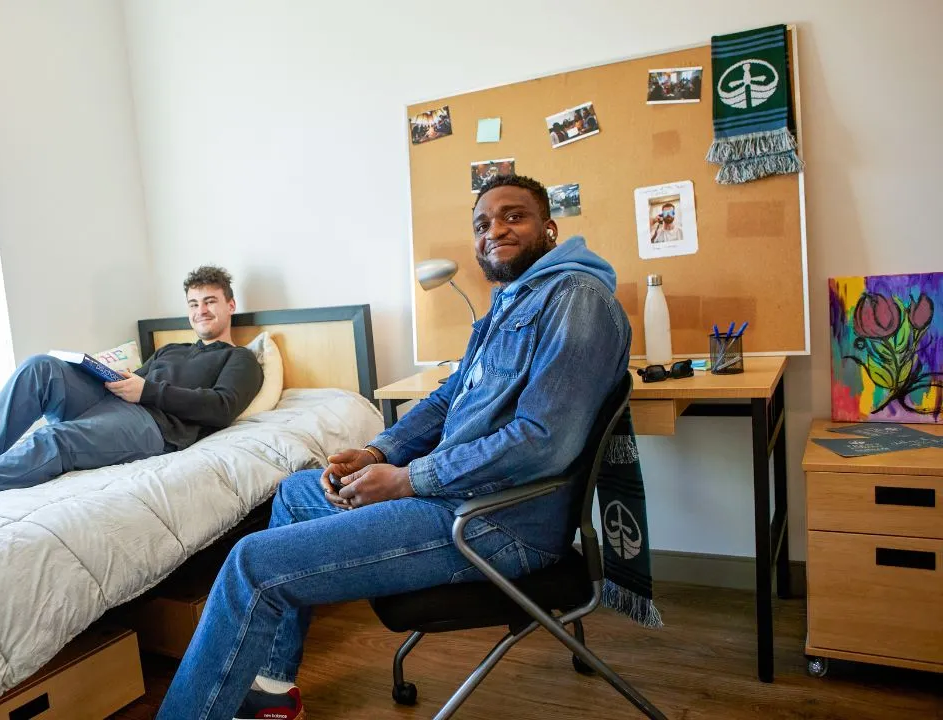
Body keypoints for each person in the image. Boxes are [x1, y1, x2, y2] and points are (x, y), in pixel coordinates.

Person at [156, 175, 631, 720]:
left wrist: (409, 479)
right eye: (482, 224)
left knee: (251, 565)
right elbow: (447, 397)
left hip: (496, 522)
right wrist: (378, 453)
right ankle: (271, 687)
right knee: (292, 493)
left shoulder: (577, 300)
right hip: (453, 499)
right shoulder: (509, 304)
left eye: (513, 216)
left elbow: (543, 442)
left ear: (549, 228)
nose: (495, 230)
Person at [0, 266, 264, 518]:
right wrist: (113, 375)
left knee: (52, 438)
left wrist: (147, 391)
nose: (200, 311)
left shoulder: (241, 359)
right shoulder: (171, 348)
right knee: (40, 367)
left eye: (210, 301)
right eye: (193, 303)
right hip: (114, 400)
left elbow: (220, 409)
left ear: (230, 305)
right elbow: (139, 381)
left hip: (152, 426)